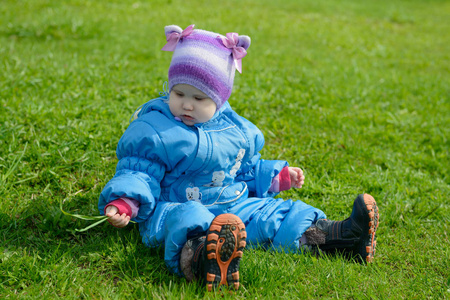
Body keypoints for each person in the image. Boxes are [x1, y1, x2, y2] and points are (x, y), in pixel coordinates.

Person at [98, 24, 379, 291]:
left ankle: (337, 237)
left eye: (199, 98)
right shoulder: (157, 130)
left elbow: (244, 168)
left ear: (219, 99)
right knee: (189, 220)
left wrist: (273, 177)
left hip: (234, 204)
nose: (186, 104)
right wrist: (125, 201)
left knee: (272, 216)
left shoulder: (236, 131)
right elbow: (140, 170)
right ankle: (203, 258)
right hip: (176, 205)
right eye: (179, 92)